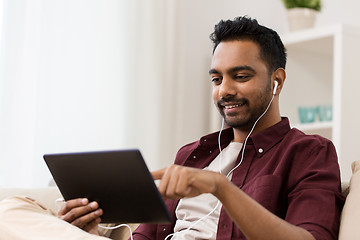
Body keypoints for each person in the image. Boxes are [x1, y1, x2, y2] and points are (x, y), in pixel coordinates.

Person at [0, 16, 344, 240]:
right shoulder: (195, 154)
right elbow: (145, 237)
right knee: (11, 208)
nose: (224, 90)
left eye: (240, 76)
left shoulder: (309, 152)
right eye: (216, 78)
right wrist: (97, 230)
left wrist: (221, 188)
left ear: (277, 80)